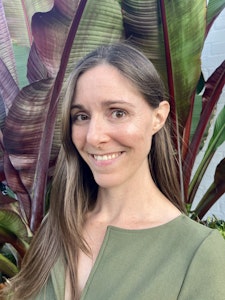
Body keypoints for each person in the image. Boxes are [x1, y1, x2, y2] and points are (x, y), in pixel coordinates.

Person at [4, 42, 225, 300]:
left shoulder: (199, 254)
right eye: (81, 116)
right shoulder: (56, 227)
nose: (94, 136)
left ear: (158, 117)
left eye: (118, 113)